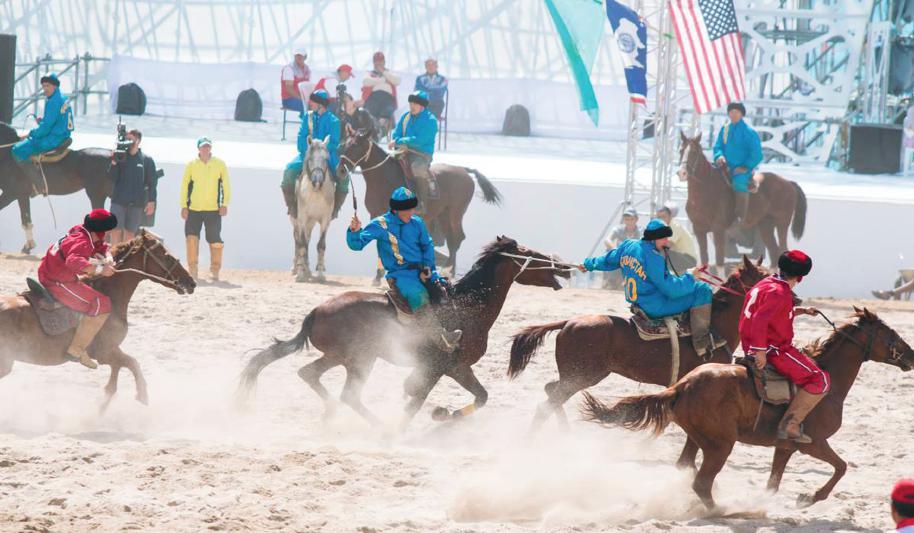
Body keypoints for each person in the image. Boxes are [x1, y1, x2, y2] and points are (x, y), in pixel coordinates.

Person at [346, 187, 462, 354]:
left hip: (424, 270)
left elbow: (427, 246)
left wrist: (429, 269)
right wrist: (354, 231)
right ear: (395, 209)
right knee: (418, 295)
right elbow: (357, 245)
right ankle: (441, 338)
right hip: (400, 275)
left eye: (412, 208)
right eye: (406, 209)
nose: (410, 212)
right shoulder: (380, 224)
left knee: (445, 290)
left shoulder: (417, 222)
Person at [578, 219, 717, 356]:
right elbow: (672, 290)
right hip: (655, 307)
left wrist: (588, 264)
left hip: (638, 303)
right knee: (702, 289)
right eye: (663, 238)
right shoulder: (653, 258)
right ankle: (702, 344)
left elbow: (607, 260)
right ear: (653, 239)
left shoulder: (628, 246)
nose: (667, 242)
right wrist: (690, 277)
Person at [739, 249, 828, 444]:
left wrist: (799, 311)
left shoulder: (766, 283)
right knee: (821, 379)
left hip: (752, 343)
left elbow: (768, 312)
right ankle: (790, 424)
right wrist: (760, 351)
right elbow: (760, 321)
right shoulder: (780, 293)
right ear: (800, 277)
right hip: (773, 349)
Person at [37, 209, 118, 369]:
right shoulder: (83, 242)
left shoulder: (82, 231)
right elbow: (74, 261)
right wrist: (102, 270)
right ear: (100, 231)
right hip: (57, 280)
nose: (108, 233)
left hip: (51, 271)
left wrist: (108, 257)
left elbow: (101, 246)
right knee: (102, 304)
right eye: (107, 230)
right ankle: (76, 350)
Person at [281, 90, 345, 219]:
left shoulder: (334, 121)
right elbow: (301, 137)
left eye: (313, 101)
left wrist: (321, 150)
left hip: (327, 156)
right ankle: (292, 206)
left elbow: (334, 142)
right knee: (289, 171)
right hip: (307, 155)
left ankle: (335, 208)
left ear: (321, 104)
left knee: (344, 178)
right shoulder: (308, 117)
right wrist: (309, 151)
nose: (310, 103)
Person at [11, 73, 74, 196]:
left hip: (53, 139)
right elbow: (54, 120)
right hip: (62, 135)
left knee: (17, 150)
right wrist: (43, 121)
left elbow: (45, 128)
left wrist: (31, 134)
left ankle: (38, 185)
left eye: (48, 86)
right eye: (43, 86)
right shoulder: (62, 98)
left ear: (54, 86)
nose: (45, 89)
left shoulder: (53, 101)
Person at [180, 137, 230, 282]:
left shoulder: (219, 164)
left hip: (213, 209)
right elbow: (184, 186)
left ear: (211, 148)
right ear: (198, 149)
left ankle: (215, 270)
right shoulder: (191, 165)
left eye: (208, 147)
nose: (206, 149)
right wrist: (184, 205)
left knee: (215, 239)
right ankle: (193, 269)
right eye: (203, 147)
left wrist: (224, 204)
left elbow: (225, 185)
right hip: (193, 208)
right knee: (191, 238)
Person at [713, 102, 762, 225]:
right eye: (731, 111)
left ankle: (740, 217)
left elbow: (756, 154)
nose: (733, 114)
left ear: (742, 114)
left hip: (742, 169)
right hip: (724, 166)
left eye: (736, 111)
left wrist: (745, 167)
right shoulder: (725, 129)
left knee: (739, 182)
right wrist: (719, 156)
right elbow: (718, 146)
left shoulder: (749, 132)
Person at [107, 129, 158, 244]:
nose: (128, 142)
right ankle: (114, 257)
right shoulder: (120, 157)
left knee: (130, 232)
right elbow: (111, 177)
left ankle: (125, 259)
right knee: (115, 230)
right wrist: (114, 163)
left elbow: (152, 183)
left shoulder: (146, 160)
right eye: (127, 139)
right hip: (118, 201)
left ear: (138, 141)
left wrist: (151, 201)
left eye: (131, 139)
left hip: (136, 203)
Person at [390, 90, 438, 212]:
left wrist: (399, 141)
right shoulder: (405, 117)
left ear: (422, 106)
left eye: (416, 104)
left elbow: (420, 140)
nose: (412, 106)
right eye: (411, 103)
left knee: (417, 168)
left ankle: (421, 203)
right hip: (403, 151)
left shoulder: (430, 120)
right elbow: (397, 132)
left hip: (421, 154)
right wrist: (396, 139)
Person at [601, 207, 641, 290]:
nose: (629, 222)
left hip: (634, 258)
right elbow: (607, 240)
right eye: (627, 219)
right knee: (608, 253)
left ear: (636, 219)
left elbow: (644, 244)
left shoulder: (641, 231)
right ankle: (610, 281)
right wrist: (616, 250)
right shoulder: (618, 229)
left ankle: (635, 283)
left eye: (631, 219)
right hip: (619, 256)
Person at [361, 51, 401, 129]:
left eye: (380, 61)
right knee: (369, 110)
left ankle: (382, 127)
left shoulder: (389, 72)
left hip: (387, 98)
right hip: (373, 97)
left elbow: (397, 81)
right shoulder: (369, 73)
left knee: (388, 108)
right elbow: (366, 81)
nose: (378, 63)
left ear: (384, 62)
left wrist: (383, 72)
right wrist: (384, 80)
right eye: (376, 61)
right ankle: (372, 128)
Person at [656, 202, 698, 272]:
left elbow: (666, 245)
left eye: (664, 217)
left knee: (661, 251)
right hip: (681, 258)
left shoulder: (674, 226)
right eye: (659, 217)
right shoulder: (663, 229)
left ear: (670, 217)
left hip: (689, 260)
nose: (661, 220)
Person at [280, 47, 311, 114]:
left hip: (301, 99)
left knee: (316, 106)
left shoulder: (307, 69)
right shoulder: (289, 68)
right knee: (308, 107)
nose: (298, 57)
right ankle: (308, 124)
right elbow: (289, 88)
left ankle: (309, 123)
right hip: (288, 99)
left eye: (301, 55)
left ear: (305, 57)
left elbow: (307, 87)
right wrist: (302, 99)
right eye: (297, 55)